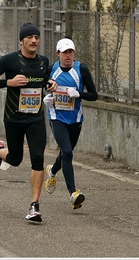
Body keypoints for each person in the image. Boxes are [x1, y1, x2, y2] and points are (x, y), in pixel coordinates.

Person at [0, 22, 57, 222]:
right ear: (22, 40)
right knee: (15, 159)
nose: (34, 41)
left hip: (35, 118)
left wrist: (50, 84)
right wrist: (9, 82)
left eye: (37, 37)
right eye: (30, 37)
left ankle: (35, 206)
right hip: (14, 118)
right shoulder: (9, 61)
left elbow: (44, 81)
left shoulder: (43, 61)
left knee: (37, 158)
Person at [43, 38, 97, 209]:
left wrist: (78, 94)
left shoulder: (81, 70)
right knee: (67, 152)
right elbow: (42, 85)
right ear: (57, 54)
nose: (68, 55)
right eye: (64, 52)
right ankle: (73, 194)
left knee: (66, 153)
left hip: (75, 120)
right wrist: (46, 99)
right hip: (56, 117)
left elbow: (94, 95)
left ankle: (52, 171)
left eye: (70, 52)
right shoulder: (52, 69)